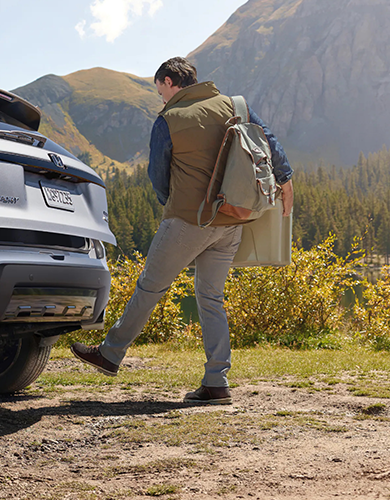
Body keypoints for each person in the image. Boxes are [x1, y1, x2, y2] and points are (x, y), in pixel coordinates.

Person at [70, 56, 293, 405]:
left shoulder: (169, 119)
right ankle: (216, 382)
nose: (161, 98)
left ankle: (110, 354)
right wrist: (287, 177)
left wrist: (170, 205)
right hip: (231, 221)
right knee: (211, 299)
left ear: (171, 81)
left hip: (189, 220)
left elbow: (158, 175)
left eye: (161, 91)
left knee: (150, 287)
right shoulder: (236, 105)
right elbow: (268, 142)